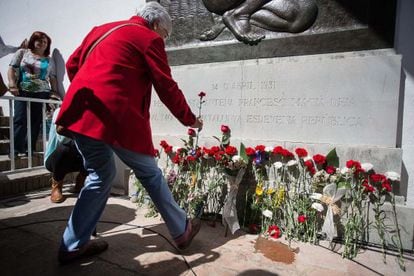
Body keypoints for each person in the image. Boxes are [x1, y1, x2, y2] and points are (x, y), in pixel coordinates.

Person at [55, 2, 203, 264]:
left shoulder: (100, 29)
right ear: (157, 25)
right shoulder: (148, 38)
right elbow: (165, 85)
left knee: (99, 175)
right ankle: (181, 231)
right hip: (116, 118)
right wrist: (189, 119)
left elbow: (73, 65)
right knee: (150, 173)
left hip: (84, 114)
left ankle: (72, 245)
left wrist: (91, 91)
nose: (163, 41)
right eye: (165, 36)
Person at [7, 31, 59, 157]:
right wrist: (12, 84)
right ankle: (14, 150)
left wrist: (54, 92)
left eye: (45, 42)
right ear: (33, 41)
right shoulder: (22, 53)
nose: (42, 44)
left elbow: (52, 78)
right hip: (23, 91)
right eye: (39, 41)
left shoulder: (49, 60)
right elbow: (11, 69)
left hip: (42, 94)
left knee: (36, 122)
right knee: (20, 120)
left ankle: (29, 149)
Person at [44, 107, 87, 203]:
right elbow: (63, 139)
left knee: (96, 149)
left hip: (76, 159)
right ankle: (56, 185)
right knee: (66, 147)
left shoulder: (89, 113)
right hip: (55, 159)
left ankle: (81, 180)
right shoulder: (60, 111)